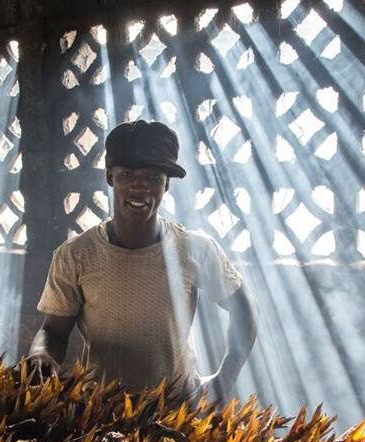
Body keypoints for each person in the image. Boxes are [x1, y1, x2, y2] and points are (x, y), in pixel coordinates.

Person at [27, 119, 258, 402]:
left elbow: (245, 310)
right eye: (127, 175)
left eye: (153, 178)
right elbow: (53, 332)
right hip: (101, 411)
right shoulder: (76, 254)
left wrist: (225, 379)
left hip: (177, 409)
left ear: (167, 185)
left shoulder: (195, 248)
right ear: (110, 177)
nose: (140, 187)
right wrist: (40, 354)